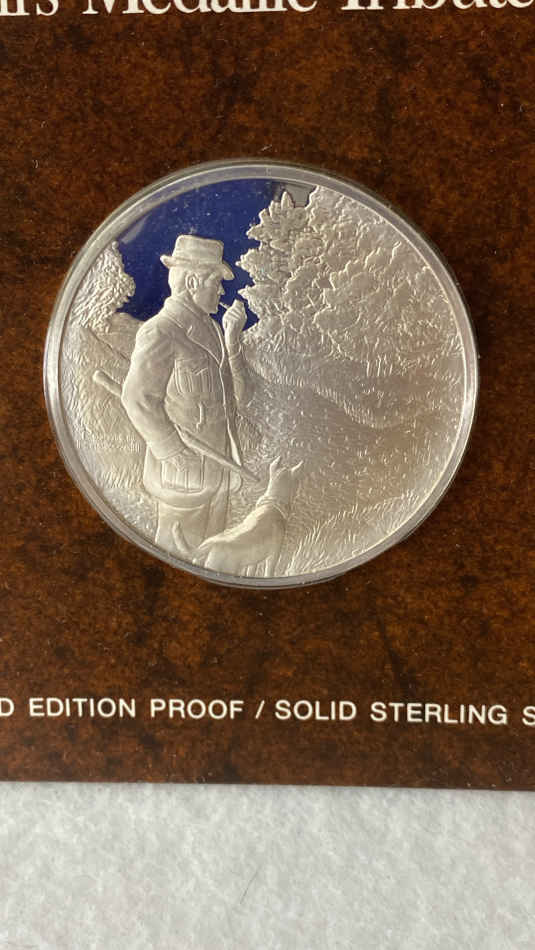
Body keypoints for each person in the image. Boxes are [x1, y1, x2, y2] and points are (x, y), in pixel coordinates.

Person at [121, 234, 249, 552]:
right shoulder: (160, 331)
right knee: (176, 553)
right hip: (184, 472)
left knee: (212, 553)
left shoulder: (214, 329)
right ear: (192, 282)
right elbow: (137, 398)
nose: (222, 291)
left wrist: (233, 341)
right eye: (216, 282)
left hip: (219, 466)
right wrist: (172, 451)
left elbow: (240, 398)